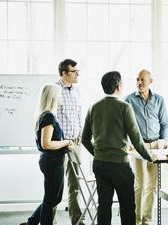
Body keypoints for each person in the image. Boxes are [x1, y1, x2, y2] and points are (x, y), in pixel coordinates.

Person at [81, 71, 155, 225]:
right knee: (127, 206)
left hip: (100, 164)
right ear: (119, 87)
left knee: (104, 206)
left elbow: (84, 139)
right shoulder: (124, 107)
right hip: (119, 165)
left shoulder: (93, 107)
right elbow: (136, 138)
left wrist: (97, 153)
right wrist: (149, 156)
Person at [20, 84, 73, 225]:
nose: (61, 97)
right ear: (54, 96)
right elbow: (46, 144)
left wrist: (64, 143)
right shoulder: (48, 116)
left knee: (52, 198)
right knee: (51, 199)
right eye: (60, 94)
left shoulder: (46, 114)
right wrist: (66, 142)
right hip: (52, 161)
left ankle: (31, 222)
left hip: (51, 161)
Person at [125, 69, 168, 225]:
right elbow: (124, 125)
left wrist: (164, 140)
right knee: (139, 184)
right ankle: (135, 220)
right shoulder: (128, 100)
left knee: (151, 185)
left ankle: (147, 220)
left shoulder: (159, 100)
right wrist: (128, 141)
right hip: (138, 145)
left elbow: (164, 124)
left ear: (151, 81)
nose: (139, 82)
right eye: (137, 79)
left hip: (156, 145)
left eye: (143, 79)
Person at [55, 59, 84, 225]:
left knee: (75, 184)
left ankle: (77, 220)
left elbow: (79, 115)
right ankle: (50, 221)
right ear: (64, 73)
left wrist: (79, 133)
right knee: (56, 186)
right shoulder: (55, 90)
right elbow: (52, 118)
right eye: (74, 71)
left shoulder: (77, 91)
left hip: (75, 144)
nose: (77, 74)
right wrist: (62, 140)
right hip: (59, 145)